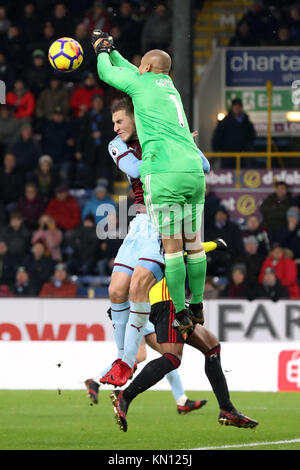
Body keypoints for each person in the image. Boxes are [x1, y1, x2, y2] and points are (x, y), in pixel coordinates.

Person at [91, 96, 226, 388]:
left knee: (139, 285)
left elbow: (203, 165)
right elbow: (138, 170)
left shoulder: (159, 136)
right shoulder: (117, 145)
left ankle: (127, 363)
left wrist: (183, 144)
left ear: (135, 118)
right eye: (113, 122)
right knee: (116, 290)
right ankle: (120, 360)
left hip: (164, 220)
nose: (115, 128)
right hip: (139, 222)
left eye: (119, 121)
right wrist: (172, 147)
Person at [92, 32, 209, 345]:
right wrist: (115, 49)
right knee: (193, 244)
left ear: (145, 68)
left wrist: (102, 51)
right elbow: (132, 72)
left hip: (165, 172)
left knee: (172, 250)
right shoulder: (169, 87)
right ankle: (198, 303)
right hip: (194, 171)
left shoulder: (140, 84)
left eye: (139, 66)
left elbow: (107, 73)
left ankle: (182, 312)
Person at [110, 277, 258, 432]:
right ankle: (125, 396)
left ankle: (227, 409)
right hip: (167, 302)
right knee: (172, 358)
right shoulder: (166, 252)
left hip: (176, 300)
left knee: (211, 346)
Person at [86, 305, 208, 415]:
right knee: (169, 356)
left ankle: (96, 380)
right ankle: (182, 400)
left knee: (157, 357)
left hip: (140, 313)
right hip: (142, 314)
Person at [212, 98, 256, 168]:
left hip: (242, 155)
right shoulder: (225, 122)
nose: (237, 109)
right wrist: (218, 150)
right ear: (232, 108)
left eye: (239, 107)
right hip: (228, 155)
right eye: (235, 107)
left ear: (241, 108)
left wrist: (247, 149)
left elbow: (251, 136)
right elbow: (217, 136)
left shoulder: (246, 122)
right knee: (228, 175)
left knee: (242, 175)